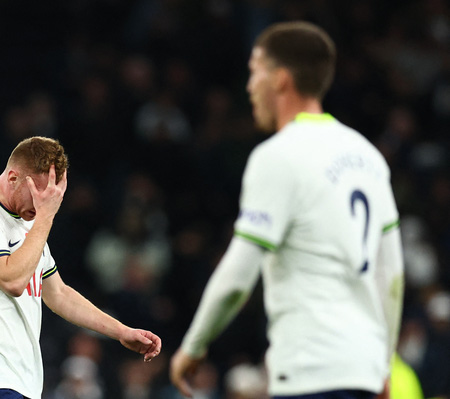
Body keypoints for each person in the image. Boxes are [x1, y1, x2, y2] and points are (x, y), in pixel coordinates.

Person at [169, 21, 404, 399]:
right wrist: (383, 363)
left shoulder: (277, 156)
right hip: (364, 371)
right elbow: (390, 274)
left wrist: (193, 346)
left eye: (254, 72)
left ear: (280, 79)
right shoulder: (368, 157)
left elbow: (237, 275)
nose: (249, 86)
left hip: (311, 370)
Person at [0, 136, 161, 399]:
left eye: (50, 198)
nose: (42, 205)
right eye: (38, 194)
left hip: (24, 381)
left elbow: (58, 294)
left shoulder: (30, 224)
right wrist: (46, 217)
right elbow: (11, 281)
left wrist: (122, 331)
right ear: (13, 178)